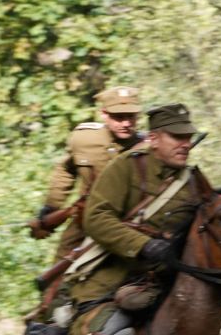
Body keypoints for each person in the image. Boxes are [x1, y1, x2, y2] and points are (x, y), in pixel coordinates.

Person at [19, 102, 205, 335]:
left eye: (188, 137)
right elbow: (96, 218)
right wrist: (143, 245)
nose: (186, 144)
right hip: (108, 277)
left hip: (167, 284)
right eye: (177, 137)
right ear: (154, 138)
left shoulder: (194, 181)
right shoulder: (127, 168)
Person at [28, 86, 145, 263]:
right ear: (104, 114)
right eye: (119, 117)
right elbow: (66, 170)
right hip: (85, 220)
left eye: (131, 117)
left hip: (131, 223)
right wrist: (51, 209)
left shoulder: (147, 148)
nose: (126, 123)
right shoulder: (84, 139)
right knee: (59, 273)